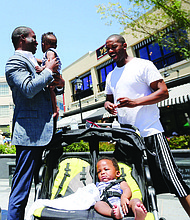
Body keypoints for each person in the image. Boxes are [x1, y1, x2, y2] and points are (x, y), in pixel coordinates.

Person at [104, 34, 190, 217]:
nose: (111, 51)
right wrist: (108, 105)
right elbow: (108, 99)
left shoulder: (143, 65)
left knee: (175, 181)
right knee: (132, 184)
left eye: (114, 47)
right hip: (126, 137)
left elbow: (163, 92)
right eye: (108, 49)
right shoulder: (110, 76)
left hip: (151, 132)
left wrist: (135, 102)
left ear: (124, 45)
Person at [5, 26, 65, 220]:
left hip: (46, 131)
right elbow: (29, 89)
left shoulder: (35, 60)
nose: (38, 42)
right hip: (30, 134)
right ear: (22, 38)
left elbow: (49, 87)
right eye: (33, 38)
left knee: (46, 182)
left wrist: (59, 82)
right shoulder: (15, 62)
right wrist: (48, 70)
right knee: (21, 187)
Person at [36, 32, 63, 119]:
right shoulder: (52, 51)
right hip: (55, 73)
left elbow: (50, 63)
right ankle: (55, 107)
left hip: (53, 73)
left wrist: (42, 68)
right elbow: (44, 61)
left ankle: (55, 108)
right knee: (51, 90)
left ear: (43, 45)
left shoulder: (49, 52)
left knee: (50, 89)